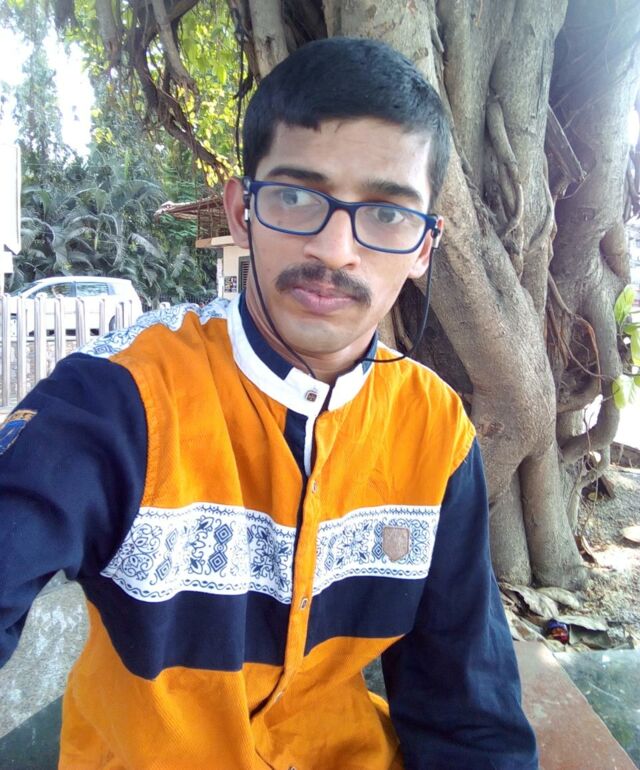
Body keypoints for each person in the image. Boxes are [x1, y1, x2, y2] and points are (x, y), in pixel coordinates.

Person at [0, 37, 538, 770]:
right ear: (242, 211)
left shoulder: (435, 430)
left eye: (386, 213)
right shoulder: (121, 399)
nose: (336, 250)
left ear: (423, 247)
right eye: (295, 196)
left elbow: (466, 707)